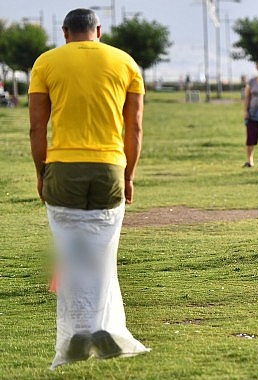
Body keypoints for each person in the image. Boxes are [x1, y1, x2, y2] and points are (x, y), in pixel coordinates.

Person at [28, 8, 149, 369]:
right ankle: (102, 327)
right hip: (110, 168)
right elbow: (136, 129)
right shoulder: (125, 62)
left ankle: (78, 333)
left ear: (65, 32)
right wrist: (128, 176)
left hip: (63, 169)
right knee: (101, 252)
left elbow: (37, 128)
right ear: (99, 30)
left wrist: (41, 172)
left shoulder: (46, 63)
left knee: (70, 251)